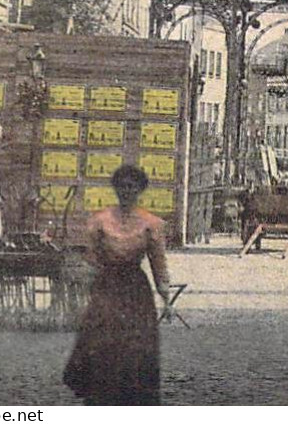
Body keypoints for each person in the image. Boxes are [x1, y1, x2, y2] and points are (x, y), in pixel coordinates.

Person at [63, 165, 172, 406]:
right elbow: (90, 260)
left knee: (136, 342)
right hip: (107, 287)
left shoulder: (151, 224)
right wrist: (83, 288)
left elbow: (159, 263)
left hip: (135, 290)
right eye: (122, 186)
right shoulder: (100, 222)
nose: (127, 191)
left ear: (140, 190)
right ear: (116, 189)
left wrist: (166, 300)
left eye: (132, 187)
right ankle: (102, 394)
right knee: (103, 339)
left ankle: (133, 397)